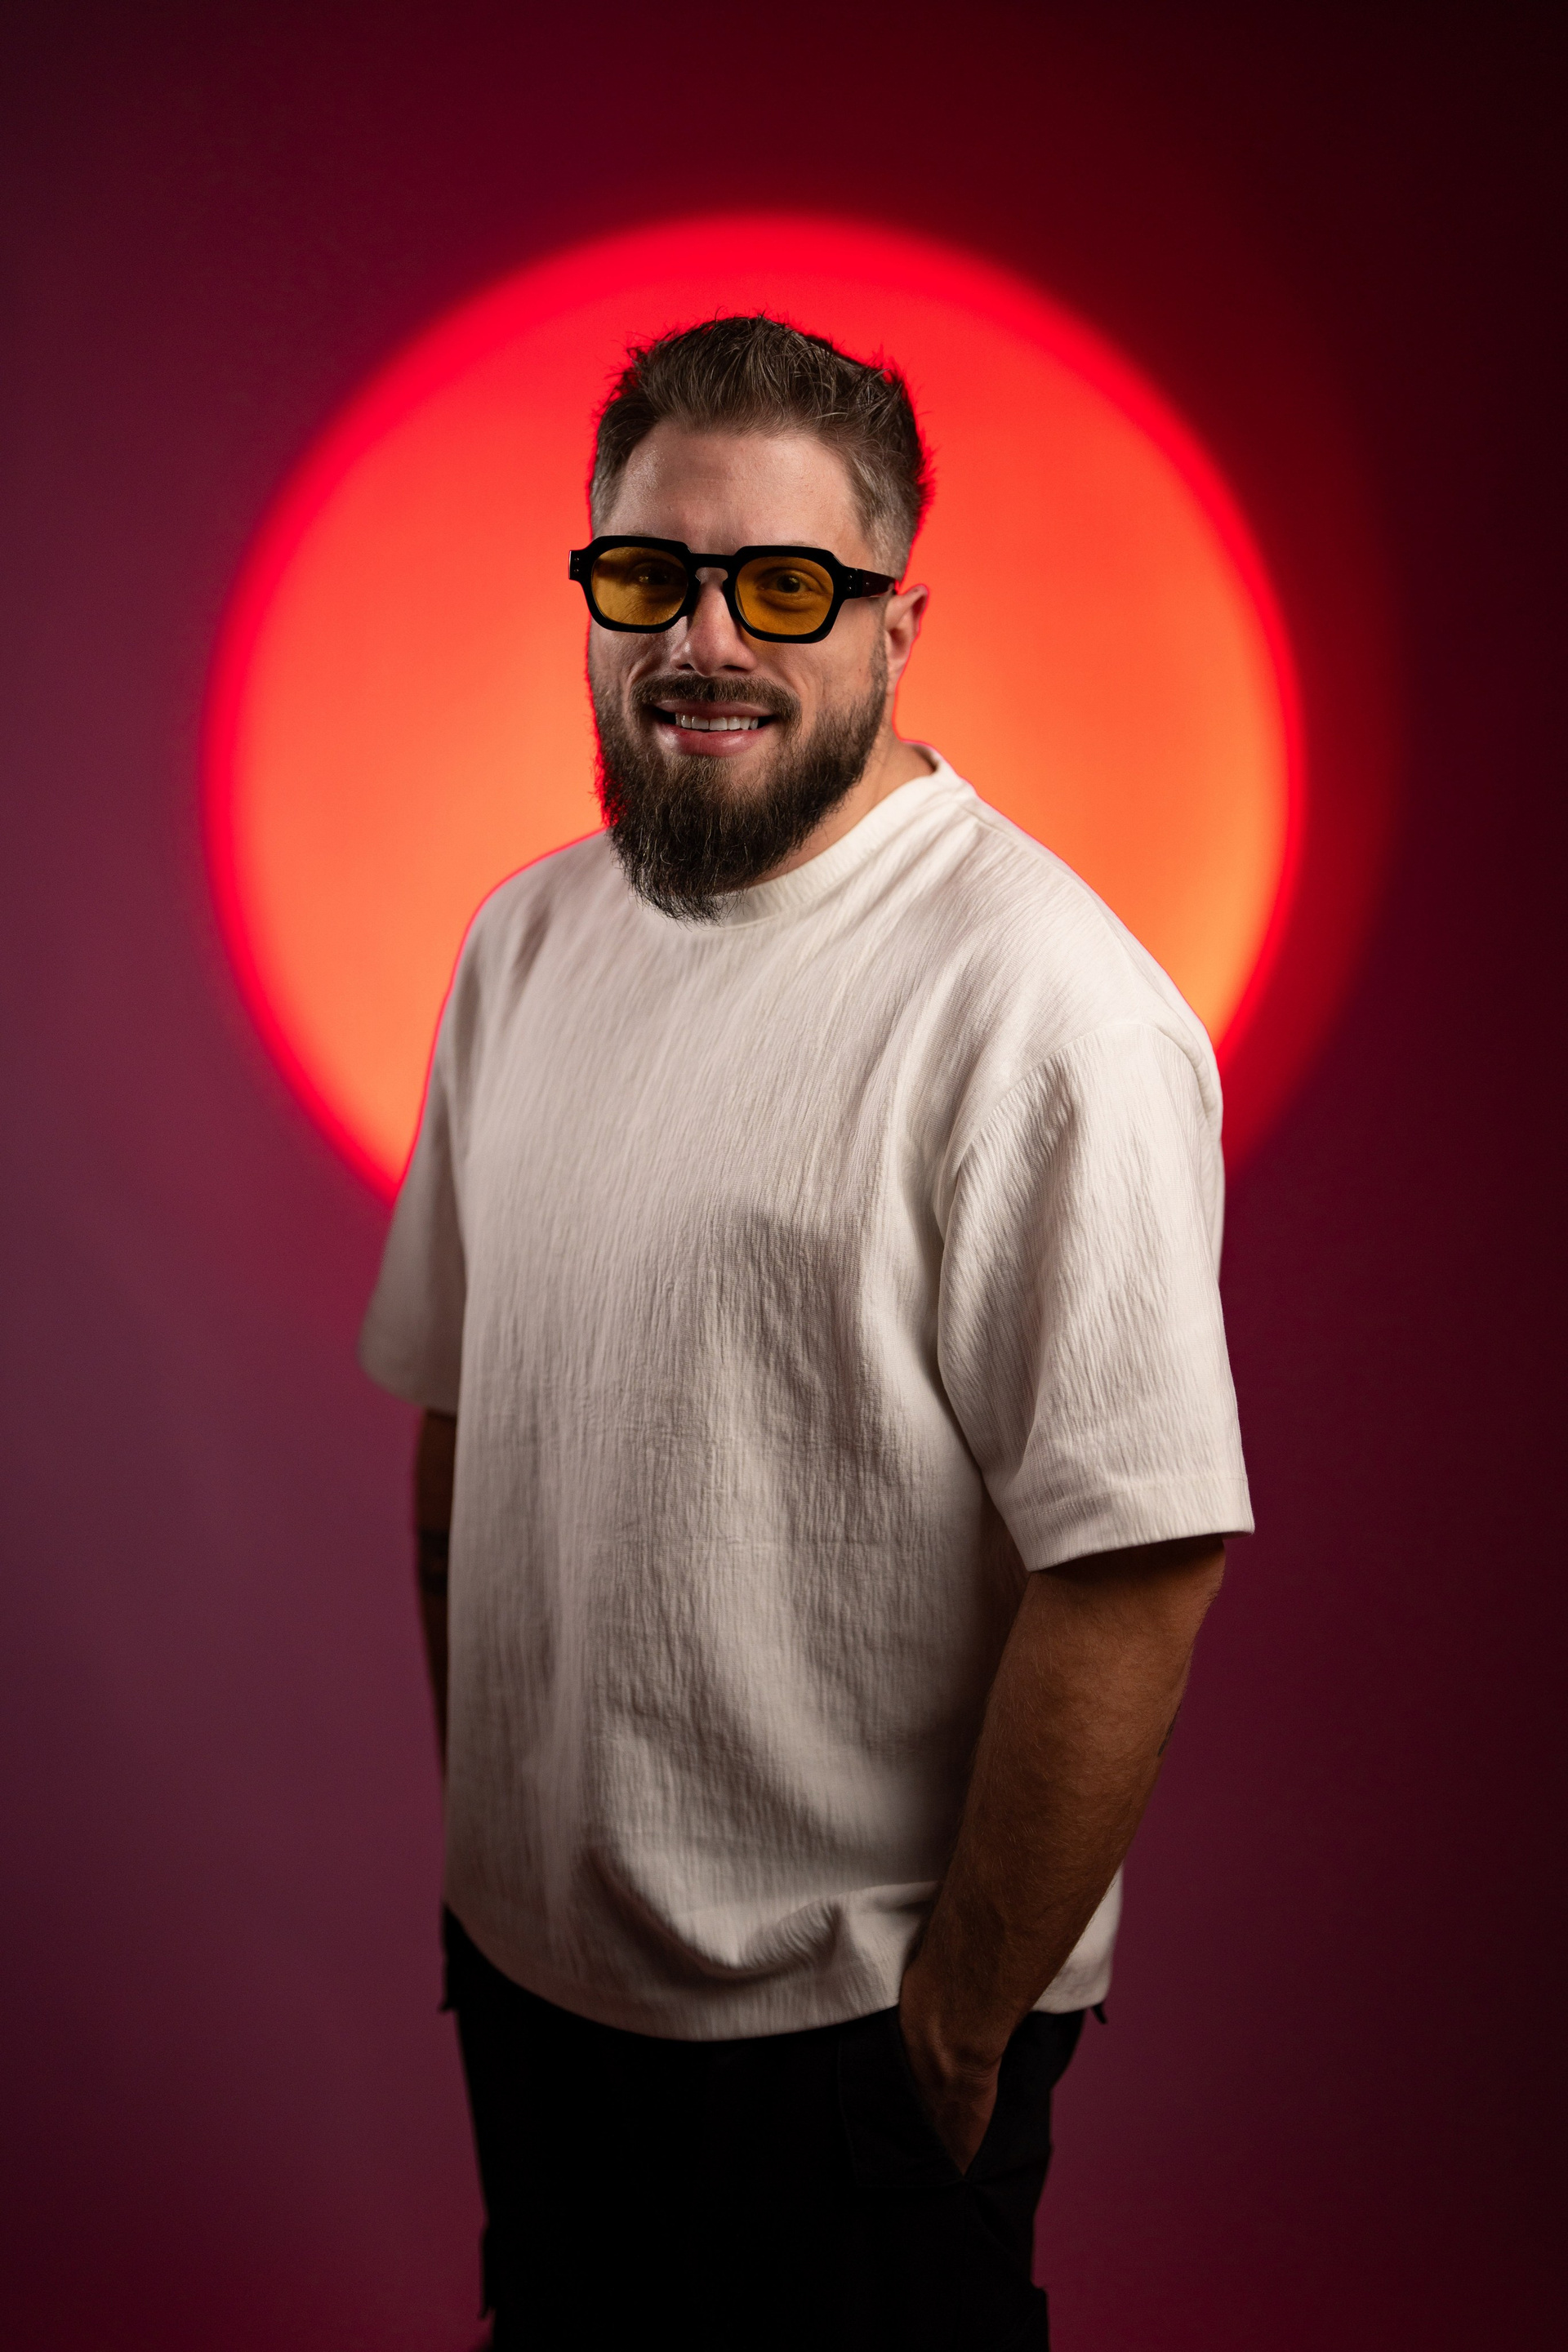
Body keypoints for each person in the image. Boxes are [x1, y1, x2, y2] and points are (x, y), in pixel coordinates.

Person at [359, 314, 1252, 2350]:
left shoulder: (1041, 1006)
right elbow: (466, 1416)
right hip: (537, 1992)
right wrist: (503, 1851)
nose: (704, 640)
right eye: (649, 576)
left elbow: (1135, 1567)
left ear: (898, 626)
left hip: (845, 2049)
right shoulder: (523, 943)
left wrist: (955, 2031)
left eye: (782, 587)